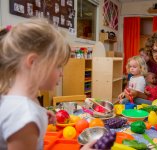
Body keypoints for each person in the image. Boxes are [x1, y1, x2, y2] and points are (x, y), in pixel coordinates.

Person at [0, 19, 95, 150]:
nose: (61, 73)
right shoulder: (25, 117)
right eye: (58, 66)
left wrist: (40, 113)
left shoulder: (15, 101)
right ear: (33, 62)